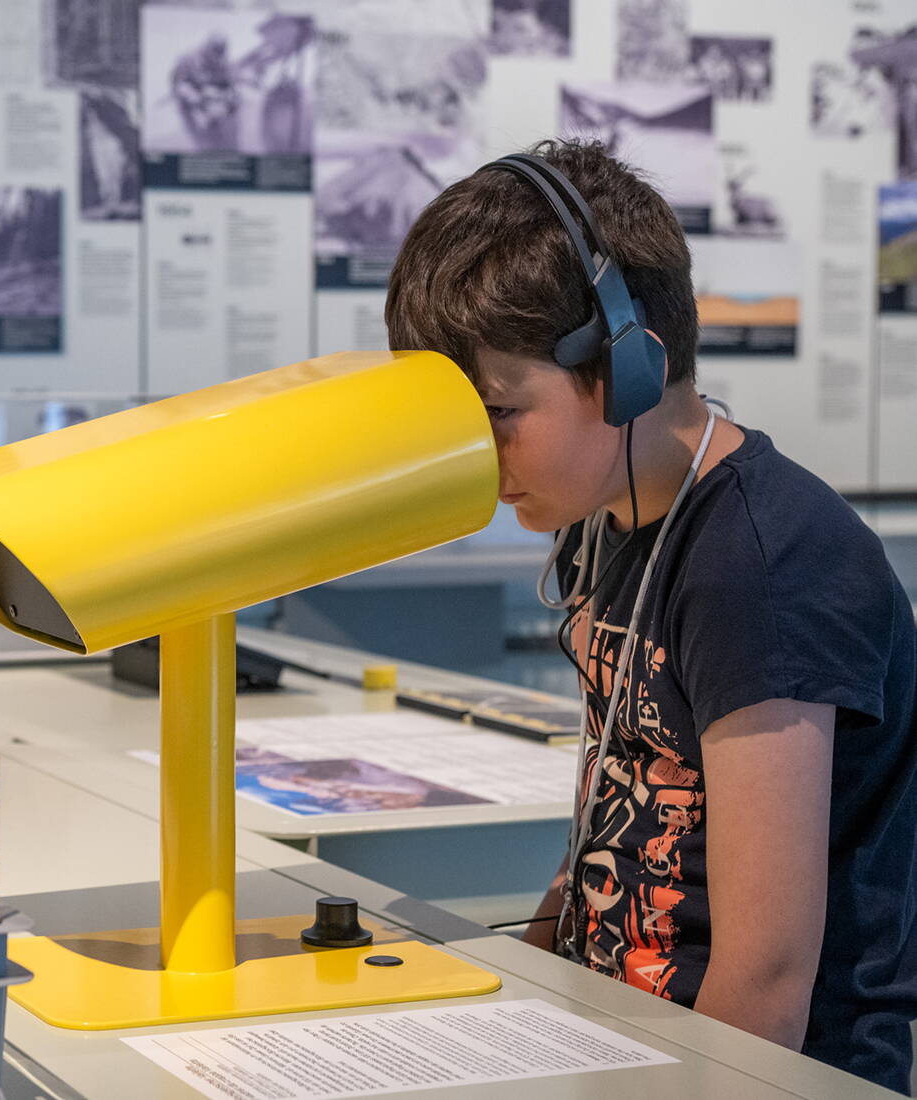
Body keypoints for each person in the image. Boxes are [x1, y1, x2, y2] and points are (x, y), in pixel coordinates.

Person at [384, 138, 917, 1093]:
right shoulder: (610, 515)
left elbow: (767, 978)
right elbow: (619, 794)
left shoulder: (763, 565)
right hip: (626, 1042)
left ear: (631, 370)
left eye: (499, 412)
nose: (477, 452)